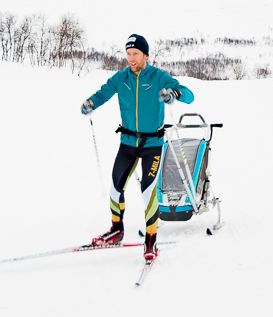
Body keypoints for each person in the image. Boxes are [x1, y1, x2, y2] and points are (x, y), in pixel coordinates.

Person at [81, 34, 194, 259]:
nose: (131, 58)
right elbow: (103, 93)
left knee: (148, 192)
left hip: (152, 144)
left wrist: (174, 94)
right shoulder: (121, 78)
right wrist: (91, 102)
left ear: (145, 55)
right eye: (128, 54)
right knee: (116, 187)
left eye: (136, 54)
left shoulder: (158, 76)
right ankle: (116, 230)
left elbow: (189, 95)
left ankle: (151, 239)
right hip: (127, 143)